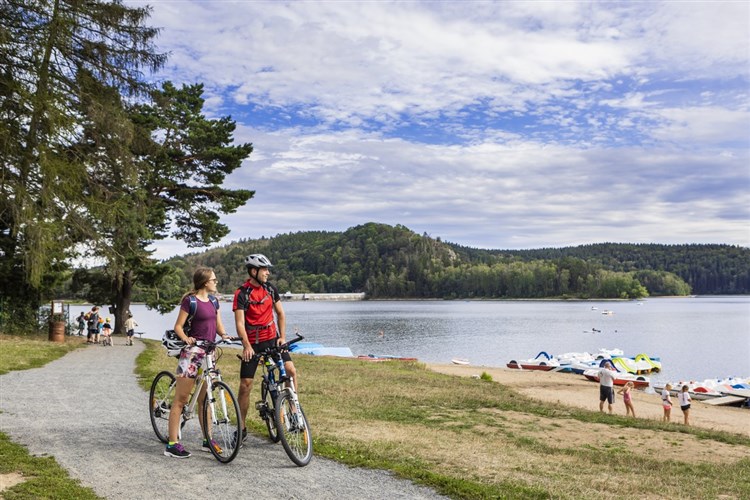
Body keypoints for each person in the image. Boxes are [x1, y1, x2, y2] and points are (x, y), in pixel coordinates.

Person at [164, 267, 229, 459]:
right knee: (181, 400)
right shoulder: (190, 301)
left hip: (209, 352)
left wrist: (224, 335)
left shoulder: (214, 301)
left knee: (206, 398)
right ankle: (172, 444)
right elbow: (178, 326)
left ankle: (207, 439)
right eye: (214, 280)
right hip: (192, 353)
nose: (216, 282)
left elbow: (217, 325)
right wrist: (186, 338)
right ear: (204, 282)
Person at [233, 254, 294, 446]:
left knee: (291, 371)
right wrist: (247, 346)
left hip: (272, 340)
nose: (268, 273)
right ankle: (241, 428)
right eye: (265, 269)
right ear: (253, 271)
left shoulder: (270, 288)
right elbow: (240, 324)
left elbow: (280, 314)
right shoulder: (241, 293)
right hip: (253, 343)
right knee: (246, 384)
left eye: (268, 269)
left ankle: (293, 413)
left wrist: (282, 337)